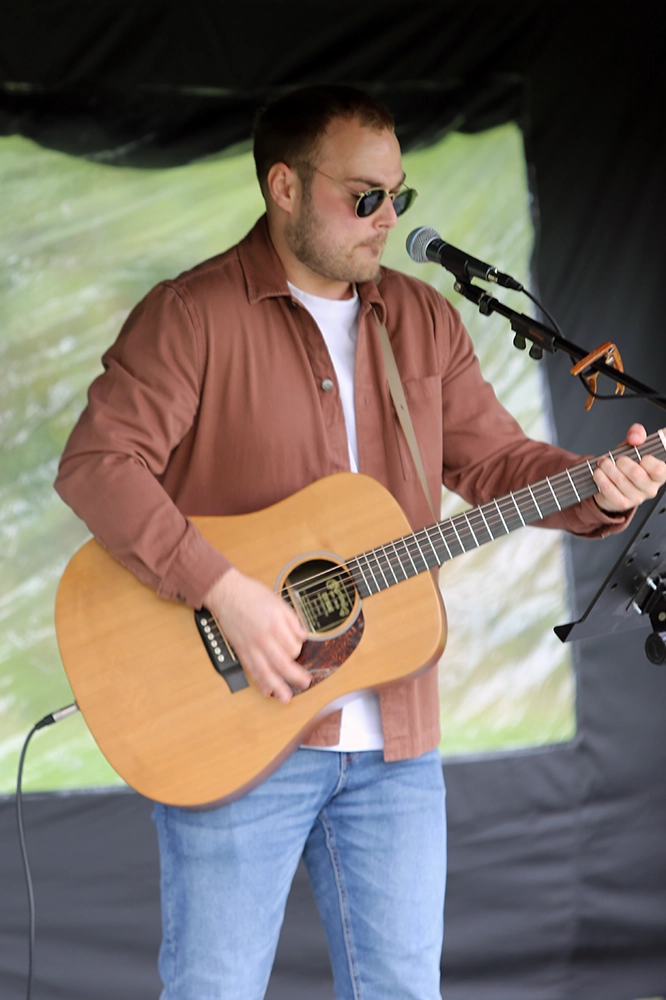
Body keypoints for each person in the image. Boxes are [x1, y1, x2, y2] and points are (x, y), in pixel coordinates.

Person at [54, 85, 666, 1000]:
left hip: (397, 746)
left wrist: (600, 493)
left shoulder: (423, 317)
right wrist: (223, 588)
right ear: (284, 188)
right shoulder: (191, 315)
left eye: (399, 197)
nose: (387, 219)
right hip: (234, 725)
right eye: (364, 196)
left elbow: (497, 463)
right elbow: (97, 464)